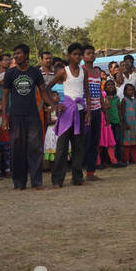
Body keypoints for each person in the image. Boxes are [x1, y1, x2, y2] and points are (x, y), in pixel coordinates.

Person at [3, 44, 47, 190]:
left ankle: (36, 182)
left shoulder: (35, 72)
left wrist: (53, 103)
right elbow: (5, 96)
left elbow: (43, 91)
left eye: (19, 53)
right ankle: (19, 182)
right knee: (17, 150)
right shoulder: (10, 73)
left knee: (35, 149)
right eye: (14, 54)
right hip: (16, 117)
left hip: (33, 116)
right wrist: (4, 116)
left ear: (26, 55)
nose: (15, 56)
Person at [50, 43, 88, 188]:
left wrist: (89, 111)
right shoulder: (63, 72)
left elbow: (87, 92)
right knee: (62, 148)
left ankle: (77, 178)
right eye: (75, 54)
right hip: (66, 112)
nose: (78, 57)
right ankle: (57, 180)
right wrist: (55, 105)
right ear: (69, 55)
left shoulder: (84, 72)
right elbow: (47, 88)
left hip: (79, 111)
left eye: (80, 54)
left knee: (78, 146)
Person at [82, 45, 106, 180]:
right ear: (83, 56)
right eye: (88, 53)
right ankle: (79, 170)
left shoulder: (97, 72)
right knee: (85, 141)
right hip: (86, 111)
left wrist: (105, 112)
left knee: (94, 142)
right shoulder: (81, 70)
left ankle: (91, 172)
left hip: (97, 110)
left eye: (93, 53)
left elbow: (100, 95)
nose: (91, 55)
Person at [120, 83, 136, 164]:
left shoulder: (134, 101)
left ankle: (134, 159)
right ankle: (126, 159)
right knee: (127, 144)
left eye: (132, 90)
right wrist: (125, 123)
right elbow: (122, 112)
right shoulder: (124, 100)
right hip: (128, 124)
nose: (131, 91)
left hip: (134, 124)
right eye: (129, 90)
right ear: (125, 91)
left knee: (134, 143)